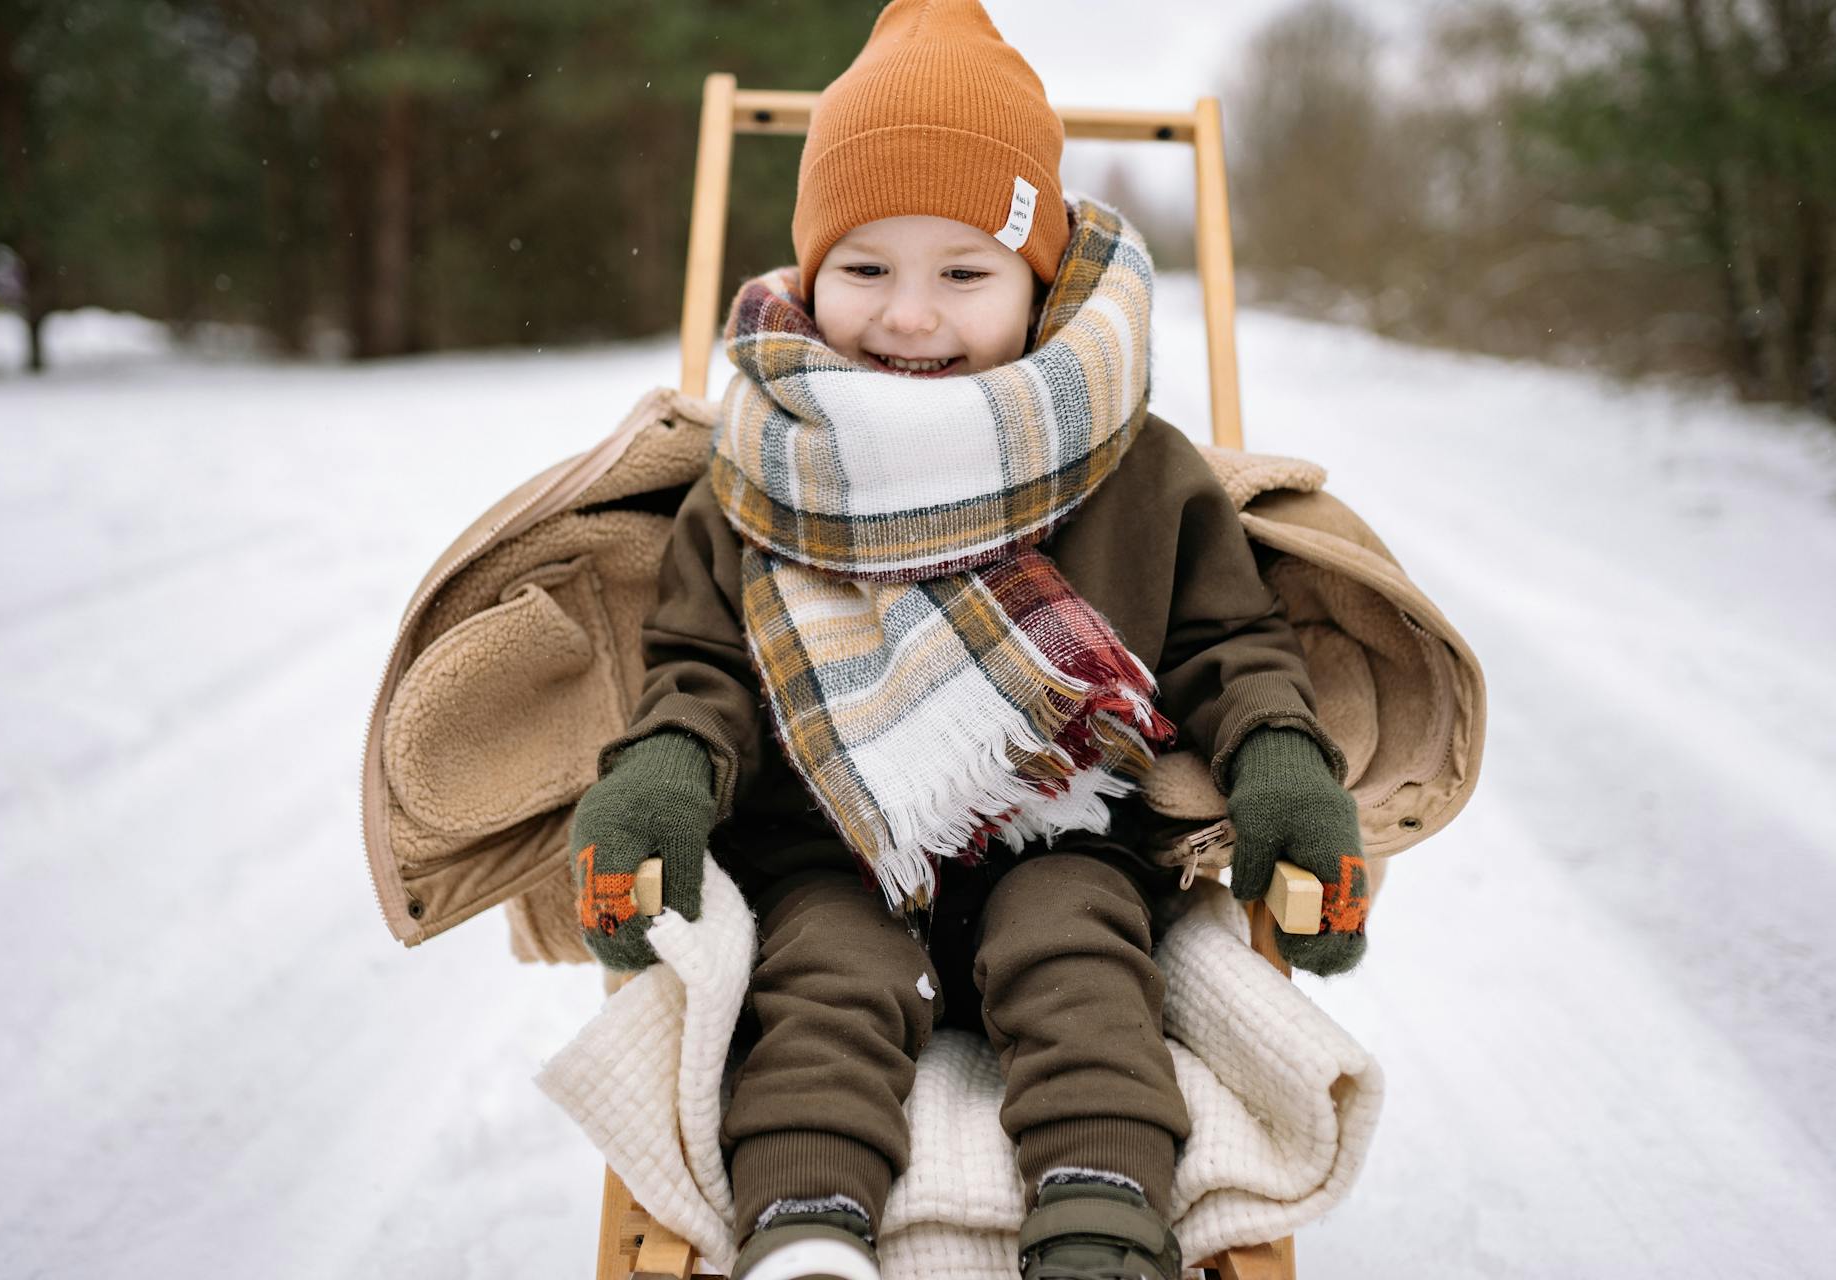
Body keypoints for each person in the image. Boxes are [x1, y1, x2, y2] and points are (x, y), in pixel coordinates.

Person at [569, 2, 1369, 1277]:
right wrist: (664, 769)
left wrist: (1279, 756)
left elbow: (1231, 637)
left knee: (1080, 959)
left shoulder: (1131, 464)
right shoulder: (761, 463)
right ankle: (807, 1224)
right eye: (867, 268)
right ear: (811, 274)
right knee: (819, 987)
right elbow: (702, 666)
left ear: (1036, 281)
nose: (910, 317)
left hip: (1066, 831)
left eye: (963, 272)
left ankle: (1101, 1209)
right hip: (828, 844)